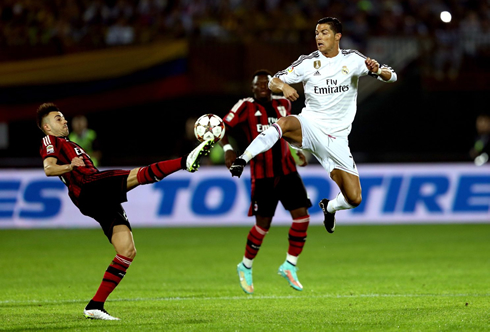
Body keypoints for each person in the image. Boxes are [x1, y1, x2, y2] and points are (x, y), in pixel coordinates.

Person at [36, 102, 214, 320]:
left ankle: (95, 305)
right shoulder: (50, 141)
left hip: (97, 194)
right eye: (58, 118)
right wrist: (70, 167)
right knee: (138, 175)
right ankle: (185, 162)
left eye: (63, 117)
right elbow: (48, 168)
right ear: (47, 127)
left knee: (127, 250)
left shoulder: (70, 143)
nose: (64, 121)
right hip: (88, 186)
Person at [229, 17, 397, 233]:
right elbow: (273, 81)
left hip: (337, 139)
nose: (319, 37)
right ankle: (244, 158)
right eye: (317, 33)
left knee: (354, 198)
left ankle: (330, 207)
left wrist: (376, 70)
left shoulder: (353, 59)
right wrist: (284, 88)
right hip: (310, 125)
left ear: (338, 37)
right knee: (285, 123)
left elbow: (392, 76)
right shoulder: (307, 63)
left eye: (325, 32)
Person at [220, 69, 312, 294]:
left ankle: (289, 265)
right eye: (258, 84)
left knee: (302, 217)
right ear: (252, 88)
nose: (263, 87)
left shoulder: (284, 105)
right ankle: (246, 266)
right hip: (262, 175)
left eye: (266, 84)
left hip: (287, 171)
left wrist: (296, 150)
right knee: (263, 225)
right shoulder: (244, 106)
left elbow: (287, 132)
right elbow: (222, 128)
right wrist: (229, 149)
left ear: (272, 86)